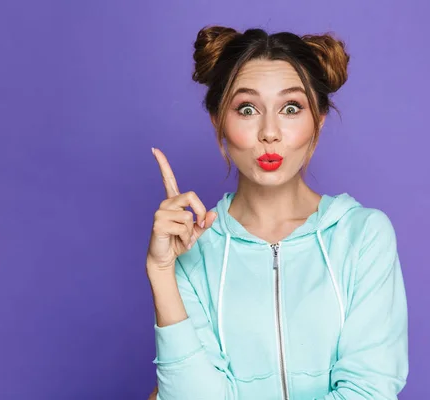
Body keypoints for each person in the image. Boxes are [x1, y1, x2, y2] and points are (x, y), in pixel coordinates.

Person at [145, 25, 408, 400]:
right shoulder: (192, 248)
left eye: (291, 108)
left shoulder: (362, 235)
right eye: (247, 109)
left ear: (317, 120)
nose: (270, 132)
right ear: (218, 121)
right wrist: (162, 272)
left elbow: (368, 392)